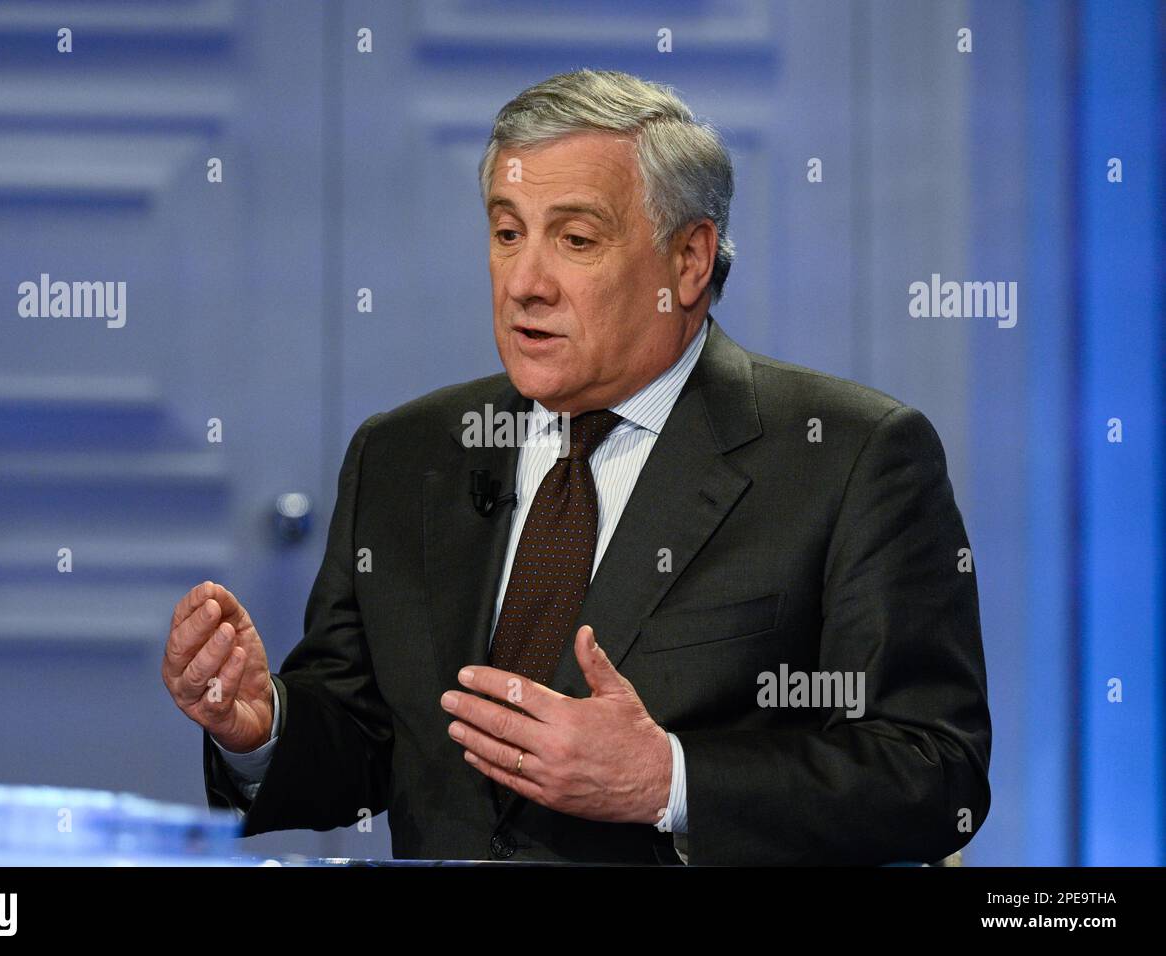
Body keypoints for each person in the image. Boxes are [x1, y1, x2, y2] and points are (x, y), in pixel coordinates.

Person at [161, 69, 990, 865]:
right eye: (507, 231)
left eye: (576, 239)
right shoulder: (407, 455)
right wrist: (264, 728)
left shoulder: (848, 457)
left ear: (689, 262)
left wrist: (668, 779)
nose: (525, 283)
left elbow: (932, 772)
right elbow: (369, 745)